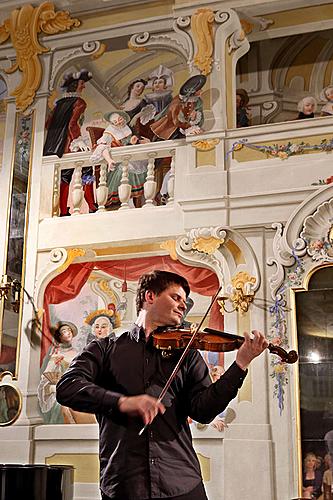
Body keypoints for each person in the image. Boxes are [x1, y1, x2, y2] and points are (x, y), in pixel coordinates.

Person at [56, 269, 268, 500]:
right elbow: (67, 387)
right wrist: (122, 402)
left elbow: (203, 411)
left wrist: (240, 364)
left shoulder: (186, 354)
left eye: (184, 301)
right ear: (150, 297)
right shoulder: (104, 349)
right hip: (124, 483)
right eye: (175, 297)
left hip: (181, 482)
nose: (182, 305)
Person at [43, 69, 97, 216]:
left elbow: (48, 124)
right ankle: (92, 204)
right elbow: (72, 124)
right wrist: (77, 139)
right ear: (74, 85)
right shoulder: (79, 102)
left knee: (64, 177)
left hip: (55, 145)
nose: (83, 86)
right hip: (71, 143)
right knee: (87, 169)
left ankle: (62, 209)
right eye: (81, 83)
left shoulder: (58, 104)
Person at [90, 111, 149, 208]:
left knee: (143, 163)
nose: (119, 122)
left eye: (120, 119)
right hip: (118, 161)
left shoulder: (126, 127)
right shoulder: (109, 132)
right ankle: (128, 200)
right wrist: (109, 160)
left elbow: (131, 142)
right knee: (128, 168)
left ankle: (142, 199)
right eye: (115, 121)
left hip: (131, 156)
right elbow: (102, 147)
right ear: (112, 123)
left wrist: (139, 141)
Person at [37, 321, 78, 423]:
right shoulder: (56, 354)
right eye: (64, 331)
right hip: (61, 391)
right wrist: (54, 387)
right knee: (61, 407)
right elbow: (46, 377)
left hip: (76, 389)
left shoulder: (77, 353)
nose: (68, 333)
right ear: (59, 336)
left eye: (69, 330)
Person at [151, 74, 206, 141]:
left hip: (185, 129)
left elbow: (200, 116)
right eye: (198, 90)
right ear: (192, 92)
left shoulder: (197, 101)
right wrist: (188, 128)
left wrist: (194, 118)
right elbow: (176, 120)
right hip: (171, 129)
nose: (201, 91)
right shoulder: (177, 101)